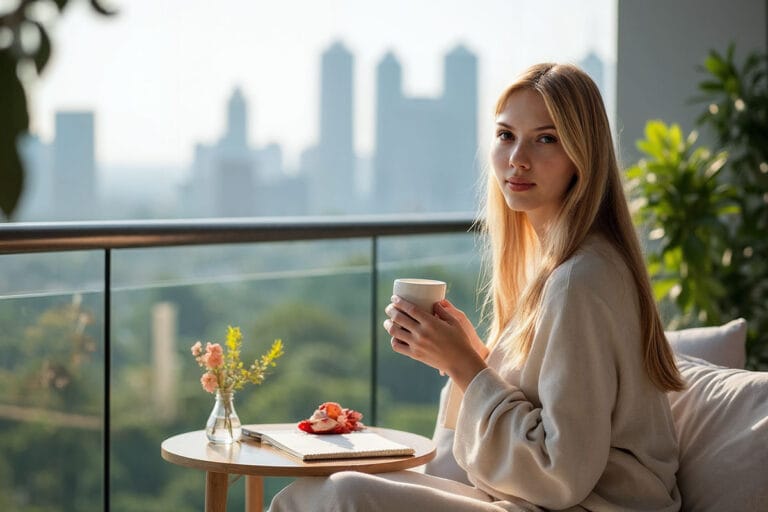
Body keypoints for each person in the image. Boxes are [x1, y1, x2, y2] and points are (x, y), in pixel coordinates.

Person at [269, 62, 684, 512]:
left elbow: (560, 474)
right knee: (314, 493)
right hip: (538, 499)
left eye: (546, 138)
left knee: (343, 496)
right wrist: (475, 357)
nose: (517, 159)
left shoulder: (579, 279)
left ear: (584, 154)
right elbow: (551, 411)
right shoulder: (559, 266)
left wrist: (466, 365)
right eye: (506, 135)